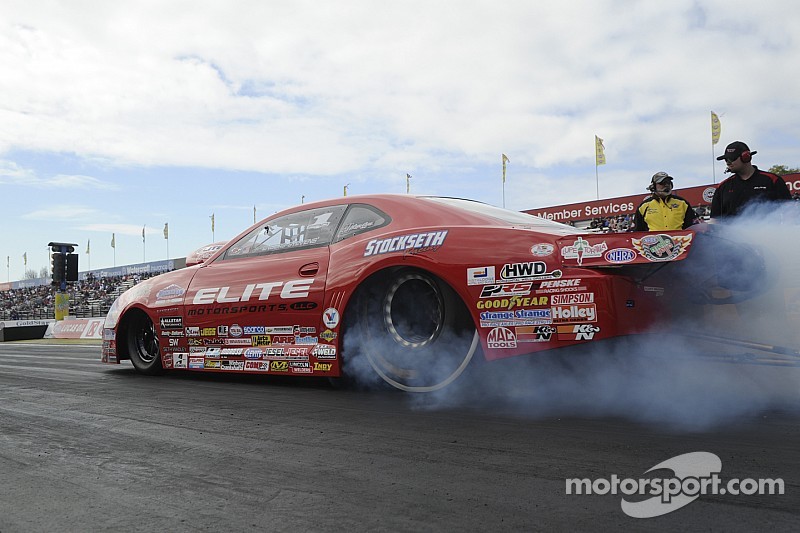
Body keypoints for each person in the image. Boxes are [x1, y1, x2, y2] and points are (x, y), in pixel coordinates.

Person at [710, 141, 791, 219]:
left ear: (746, 157)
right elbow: (715, 220)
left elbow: (789, 212)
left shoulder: (772, 180)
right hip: (730, 233)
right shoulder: (722, 187)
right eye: (726, 159)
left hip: (768, 232)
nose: (728, 162)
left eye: (732, 158)